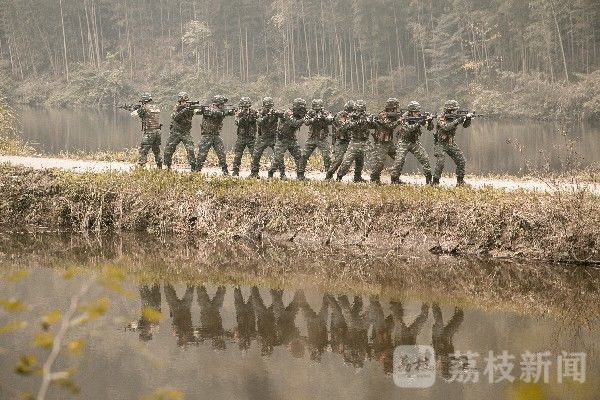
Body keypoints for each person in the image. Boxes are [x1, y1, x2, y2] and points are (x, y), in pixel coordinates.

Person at [390, 101, 434, 184]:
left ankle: (428, 180)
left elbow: (429, 128)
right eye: (416, 112)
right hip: (403, 142)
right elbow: (408, 129)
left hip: (414, 142)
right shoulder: (404, 117)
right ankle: (394, 179)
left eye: (418, 111)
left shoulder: (420, 117)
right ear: (410, 112)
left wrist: (429, 121)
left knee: (425, 158)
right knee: (399, 160)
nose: (418, 113)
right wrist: (418, 123)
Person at [433, 100, 473, 186]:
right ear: (447, 110)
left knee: (461, 160)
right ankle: (435, 182)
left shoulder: (455, 117)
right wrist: (458, 120)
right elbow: (445, 127)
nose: (454, 111)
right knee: (440, 162)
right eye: (452, 110)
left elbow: (465, 126)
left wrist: (467, 119)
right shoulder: (441, 117)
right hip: (440, 143)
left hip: (451, 143)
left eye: (455, 109)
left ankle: (460, 181)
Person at [196, 95, 236, 175]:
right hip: (207, 136)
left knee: (221, 154)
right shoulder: (208, 109)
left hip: (216, 135)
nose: (222, 106)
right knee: (202, 155)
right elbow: (217, 113)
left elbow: (229, 113)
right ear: (216, 104)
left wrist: (232, 111)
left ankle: (225, 171)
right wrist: (226, 112)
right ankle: (197, 171)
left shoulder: (222, 110)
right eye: (221, 104)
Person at [325, 100, 364, 182]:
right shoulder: (340, 115)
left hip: (351, 141)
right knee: (338, 160)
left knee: (359, 157)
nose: (350, 112)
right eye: (350, 110)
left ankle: (357, 177)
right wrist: (354, 120)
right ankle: (329, 175)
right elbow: (343, 127)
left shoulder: (354, 116)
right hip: (341, 141)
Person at [268, 98, 306, 180]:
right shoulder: (288, 113)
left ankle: (300, 176)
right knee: (277, 158)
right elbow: (294, 123)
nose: (301, 111)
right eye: (300, 109)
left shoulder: (299, 115)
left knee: (299, 157)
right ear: (295, 107)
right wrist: (303, 119)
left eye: (303, 109)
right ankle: (270, 174)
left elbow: (306, 122)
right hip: (282, 140)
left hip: (292, 139)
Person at [336, 100, 373, 182]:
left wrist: (367, 120)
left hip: (365, 141)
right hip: (354, 141)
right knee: (346, 162)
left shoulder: (368, 116)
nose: (360, 112)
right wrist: (356, 122)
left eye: (362, 110)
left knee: (372, 161)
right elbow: (344, 128)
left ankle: (362, 178)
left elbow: (372, 123)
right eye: (358, 110)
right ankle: (339, 177)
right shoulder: (351, 117)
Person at [296, 99, 333, 181]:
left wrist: (323, 117)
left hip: (322, 139)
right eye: (315, 108)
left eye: (318, 108)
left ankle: (329, 176)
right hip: (312, 138)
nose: (317, 110)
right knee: (304, 155)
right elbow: (306, 122)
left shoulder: (325, 113)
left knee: (326, 156)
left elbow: (331, 120)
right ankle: (300, 175)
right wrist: (314, 118)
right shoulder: (310, 113)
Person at [369, 98, 403, 184]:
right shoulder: (382, 115)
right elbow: (389, 126)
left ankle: (395, 178)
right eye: (395, 108)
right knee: (379, 163)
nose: (396, 110)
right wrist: (399, 120)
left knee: (399, 158)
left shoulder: (393, 115)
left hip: (389, 142)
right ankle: (374, 179)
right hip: (381, 143)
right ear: (391, 107)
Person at [249, 97, 285, 178]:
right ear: (263, 106)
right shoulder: (260, 112)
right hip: (263, 138)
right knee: (256, 155)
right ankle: (254, 173)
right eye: (267, 106)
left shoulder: (274, 112)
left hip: (273, 137)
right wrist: (267, 116)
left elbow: (283, 115)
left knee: (279, 155)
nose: (269, 108)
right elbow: (259, 122)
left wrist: (276, 113)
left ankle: (282, 174)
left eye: (270, 106)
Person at [163, 91, 199, 171]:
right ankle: (167, 166)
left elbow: (195, 113)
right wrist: (184, 110)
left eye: (185, 101)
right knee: (168, 149)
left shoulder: (190, 108)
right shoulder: (176, 107)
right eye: (183, 102)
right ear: (179, 101)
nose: (184, 103)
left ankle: (193, 168)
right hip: (175, 132)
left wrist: (190, 110)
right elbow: (175, 117)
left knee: (190, 150)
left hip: (185, 132)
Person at [130, 92, 162, 168]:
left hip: (149, 132)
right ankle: (160, 166)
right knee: (157, 151)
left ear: (144, 101)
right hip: (158, 132)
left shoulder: (144, 108)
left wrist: (132, 109)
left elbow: (133, 114)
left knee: (143, 151)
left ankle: (141, 168)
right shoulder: (156, 107)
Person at [232, 97, 258, 176]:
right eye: (244, 106)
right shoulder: (238, 112)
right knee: (238, 155)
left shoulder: (254, 112)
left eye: (247, 106)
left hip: (251, 137)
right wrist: (242, 115)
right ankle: (235, 171)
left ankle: (255, 173)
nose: (245, 108)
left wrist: (250, 115)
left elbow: (257, 120)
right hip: (241, 137)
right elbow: (237, 122)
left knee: (255, 155)